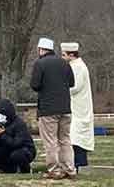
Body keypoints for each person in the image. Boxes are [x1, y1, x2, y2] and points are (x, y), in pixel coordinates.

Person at [30, 37, 76, 179]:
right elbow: (71, 83)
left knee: (50, 141)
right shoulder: (64, 63)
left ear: (40, 49)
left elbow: (35, 85)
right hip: (65, 108)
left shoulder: (40, 63)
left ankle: (54, 170)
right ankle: (70, 169)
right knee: (65, 140)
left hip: (48, 109)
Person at [62, 42, 95, 173]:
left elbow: (75, 87)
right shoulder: (75, 66)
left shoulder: (78, 67)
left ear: (71, 55)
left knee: (76, 139)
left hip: (79, 109)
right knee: (74, 138)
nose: (62, 57)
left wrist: (61, 87)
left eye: (64, 55)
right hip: (76, 107)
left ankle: (78, 164)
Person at [0, 99, 36, 174]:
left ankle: (25, 170)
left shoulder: (19, 124)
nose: (0, 116)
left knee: (17, 155)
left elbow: (16, 143)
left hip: (24, 149)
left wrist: (2, 134)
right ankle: (7, 169)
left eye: (2, 114)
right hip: (6, 149)